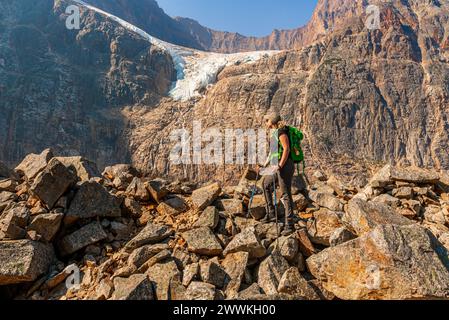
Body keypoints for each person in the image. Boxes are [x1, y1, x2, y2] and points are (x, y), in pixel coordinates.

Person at [259, 112, 295, 236]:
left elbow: (286, 149)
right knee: (266, 184)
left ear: (272, 121)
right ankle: (271, 214)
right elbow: (272, 152)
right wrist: (264, 164)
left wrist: (280, 165)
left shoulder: (281, 132)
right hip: (276, 167)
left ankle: (289, 224)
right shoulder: (274, 133)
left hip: (284, 166)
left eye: (267, 121)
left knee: (285, 194)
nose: (266, 123)